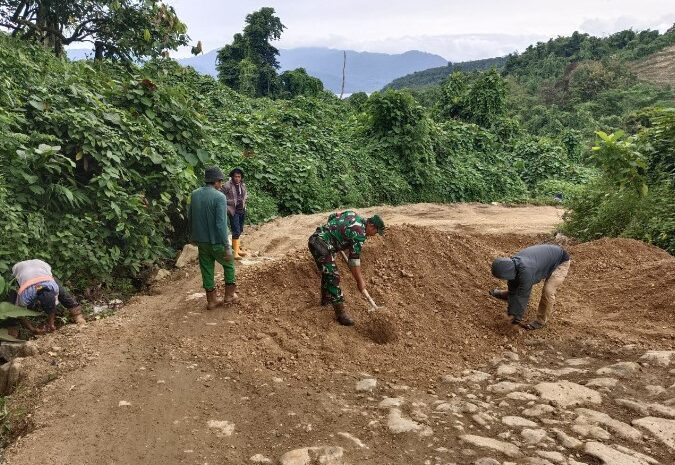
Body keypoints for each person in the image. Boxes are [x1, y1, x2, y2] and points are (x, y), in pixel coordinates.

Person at [308, 211, 385, 326]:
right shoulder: (360, 234)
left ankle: (326, 300)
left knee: (328, 272)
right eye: (375, 232)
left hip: (315, 239)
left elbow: (332, 216)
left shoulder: (352, 214)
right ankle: (341, 314)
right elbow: (354, 261)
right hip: (322, 245)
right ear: (371, 226)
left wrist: (337, 236)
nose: (374, 235)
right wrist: (360, 281)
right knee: (333, 276)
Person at [188, 166, 239, 309]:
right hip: (217, 242)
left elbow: (190, 216)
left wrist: (192, 236)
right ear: (215, 181)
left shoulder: (195, 194)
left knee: (207, 268)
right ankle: (229, 296)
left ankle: (211, 300)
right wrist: (227, 246)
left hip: (202, 242)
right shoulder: (219, 197)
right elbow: (221, 224)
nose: (221, 184)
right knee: (229, 264)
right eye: (220, 181)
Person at [489, 244, 571, 330]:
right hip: (546, 258)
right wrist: (511, 312)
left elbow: (524, 294)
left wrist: (515, 318)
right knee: (516, 284)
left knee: (548, 291)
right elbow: (513, 286)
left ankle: (541, 321)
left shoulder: (526, 270)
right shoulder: (512, 264)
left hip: (560, 261)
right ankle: (506, 295)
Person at [9, 259, 86, 334]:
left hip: (41, 266)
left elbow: (51, 307)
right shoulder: (25, 298)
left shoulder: (54, 288)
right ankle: (12, 328)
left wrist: (51, 324)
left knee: (63, 294)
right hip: (19, 268)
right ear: (39, 301)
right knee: (12, 303)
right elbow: (20, 314)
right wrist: (32, 329)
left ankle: (78, 315)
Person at [220, 167, 248, 260]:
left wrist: (244, 204)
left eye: (239, 177)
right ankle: (235, 253)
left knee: (239, 229)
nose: (237, 178)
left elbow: (245, 195)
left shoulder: (242, 185)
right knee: (235, 230)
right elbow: (220, 195)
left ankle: (237, 249)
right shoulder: (227, 185)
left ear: (241, 177)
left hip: (241, 210)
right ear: (232, 176)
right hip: (233, 210)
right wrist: (229, 204)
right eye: (235, 176)